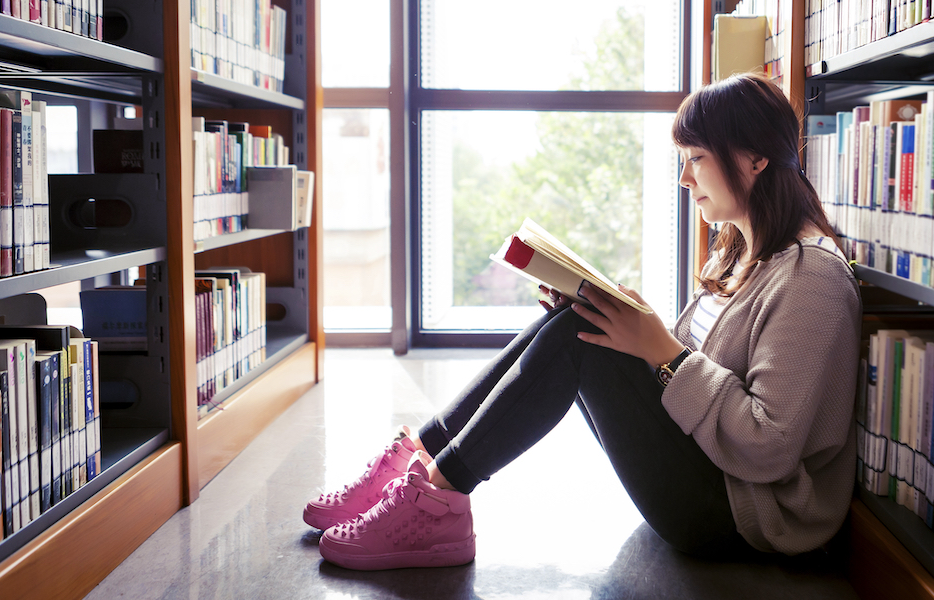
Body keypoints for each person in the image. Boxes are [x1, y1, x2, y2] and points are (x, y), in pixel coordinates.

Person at [305, 71, 862, 571]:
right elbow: (709, 369)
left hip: (739, 516)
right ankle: (422, 463)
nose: (685, 179)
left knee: (581, 336)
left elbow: (769, 445)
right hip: (709, 472)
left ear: (753, 159)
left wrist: (663, 352)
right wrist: (641, 330)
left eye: (695, 158)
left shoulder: (811, 279)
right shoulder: (745, 252)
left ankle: (434, 500)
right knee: (582, 316)